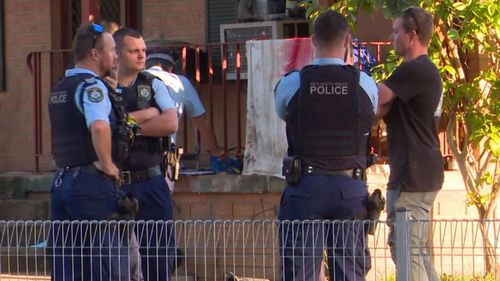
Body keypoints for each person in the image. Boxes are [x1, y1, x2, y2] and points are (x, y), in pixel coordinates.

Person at [274, 10, 378, 281]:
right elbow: (370, 116)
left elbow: (284, 113)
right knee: (350, 274)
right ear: (347, 41)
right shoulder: (365, 84)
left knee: (300, 273)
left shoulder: (292, 83)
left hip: (305, 188)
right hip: (349, 189)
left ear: (312, 40)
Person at [48, 22, 138, 280]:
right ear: (95, 54)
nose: (116, 56)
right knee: (108, 267)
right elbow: (99, 127)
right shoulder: (92, 86)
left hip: (62, 182)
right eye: (112, 50)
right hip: (91, 186)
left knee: (68, 267)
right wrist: (108, 164)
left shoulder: (62, 85)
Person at [376, 6, 443, 281]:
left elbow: (376, 99)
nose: (391, 37)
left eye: (396, 31)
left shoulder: (414, 70)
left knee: (406, 250)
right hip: (418, 173)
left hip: (413, 177)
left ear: (412, 35)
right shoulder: (421, 72)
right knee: (411, 249)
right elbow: (381, 109)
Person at [113, 27, 179, 281]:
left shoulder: (153, 85)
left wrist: (128, 130)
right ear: (117, 54)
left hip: (150, 183)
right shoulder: (102, 86)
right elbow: (102, 129)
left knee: (158, 257)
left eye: (143, 50)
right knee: (115, 261)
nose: (142, 56)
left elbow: (170, 123)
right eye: (134, 51)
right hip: (115, 184)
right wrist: (148, 115)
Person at [144, 47, 240, 180]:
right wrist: (216, 152)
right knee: (160, 197)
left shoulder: (132, 80)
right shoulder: (179, 82)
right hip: (161, 157)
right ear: (171, 68)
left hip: (128, 155)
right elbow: (201, 120)